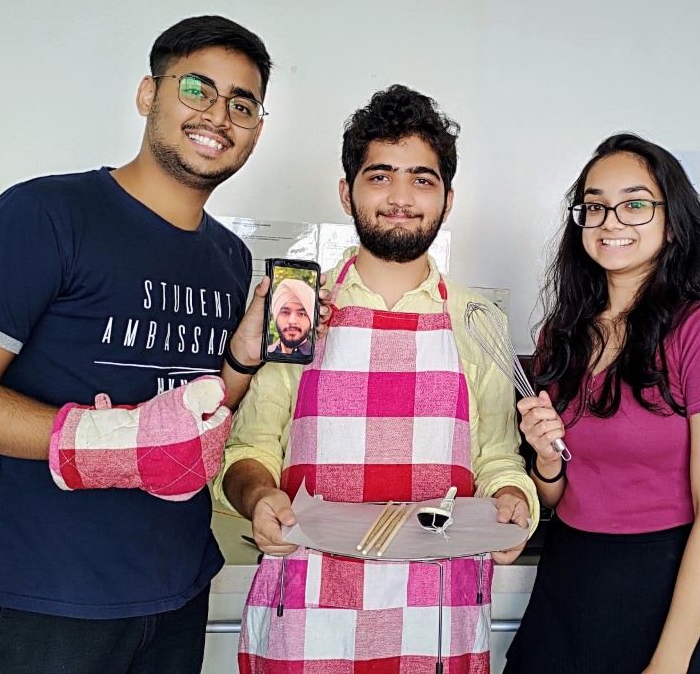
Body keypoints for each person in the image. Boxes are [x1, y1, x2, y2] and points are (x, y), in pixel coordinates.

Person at [0, 15, 279, 674]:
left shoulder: (228, 257)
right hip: (49, 603)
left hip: (177, 591)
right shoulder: (47, 214)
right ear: (149, 94)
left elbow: (194, 414)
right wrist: (115, 441)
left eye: (242, 104)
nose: (219, 114)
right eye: (198, 88)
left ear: (255, 129)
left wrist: (242, 359)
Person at [215, 84, 538, 674]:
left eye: (422, 179)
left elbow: (497, 461)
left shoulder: (475, 320)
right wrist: (259, 497)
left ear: (447, 198)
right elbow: (249, 449)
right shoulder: (300, 311)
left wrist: (513, 501)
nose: (400, 197)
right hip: (309, 613)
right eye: (380, 175)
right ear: (347, 191)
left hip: (438, 618)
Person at [504, 133, 700, 674]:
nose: (610, 220)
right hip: (568, 582)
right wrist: (546, 458)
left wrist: (670, 663)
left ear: (672, 219)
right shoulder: (563, 333)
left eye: (635, 203)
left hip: (664, 589)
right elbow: (558, 497)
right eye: (595, 206)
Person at [267, 278, 314, 356]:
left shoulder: (320, 357)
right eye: (285, 312)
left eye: (301, 313)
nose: (292, 321)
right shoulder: (265, 353)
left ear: (311, 319)